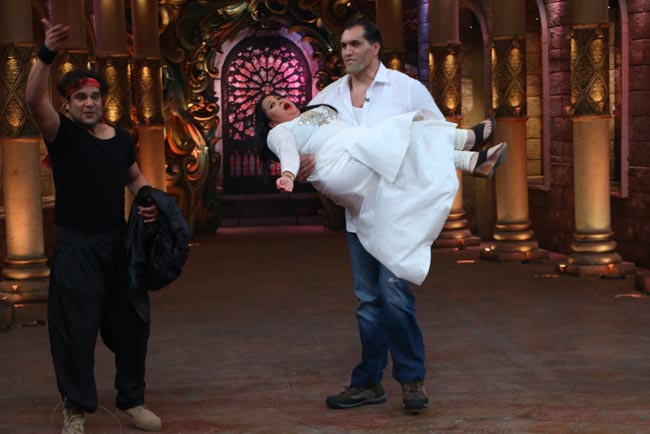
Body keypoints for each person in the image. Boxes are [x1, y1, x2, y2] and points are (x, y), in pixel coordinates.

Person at [292, 15, 504, 411]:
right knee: (368, 302)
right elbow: (306, 140)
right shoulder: (328, 97)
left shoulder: (406, 89)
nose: (347, 52)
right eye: (343, 46)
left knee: (394, 295)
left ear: (375, 47)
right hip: (359, 215)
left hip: (398, 213)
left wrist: (459, 154)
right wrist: (300, 168)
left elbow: (433, 136)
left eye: (355, 44)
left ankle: (411, 379)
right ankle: (369, 383)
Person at [26, 19, 162, 433]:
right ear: (67, 104)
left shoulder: (120, 139)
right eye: (80, 97)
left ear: (104, 100)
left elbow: (133, 177)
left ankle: (132, 400)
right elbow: (32, 99)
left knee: (131, 326)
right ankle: (75, 408)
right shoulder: (62, 135)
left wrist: (148, 200)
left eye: (95, 96)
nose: (89, 103)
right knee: (75, 332)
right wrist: (46, 53)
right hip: (75, 248)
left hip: (117, 245)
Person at [256, 96, 505, 284]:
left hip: (358, 150)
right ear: (271, 122)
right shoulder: (279, 132)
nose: (280, 100)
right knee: (401, 131)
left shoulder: (318, 108)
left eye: (279, 97)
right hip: (339, 164)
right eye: (272, 105)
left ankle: (472, 160)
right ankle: (467, 141)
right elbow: (288, 151)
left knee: (405, 146)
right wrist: (288, 174)